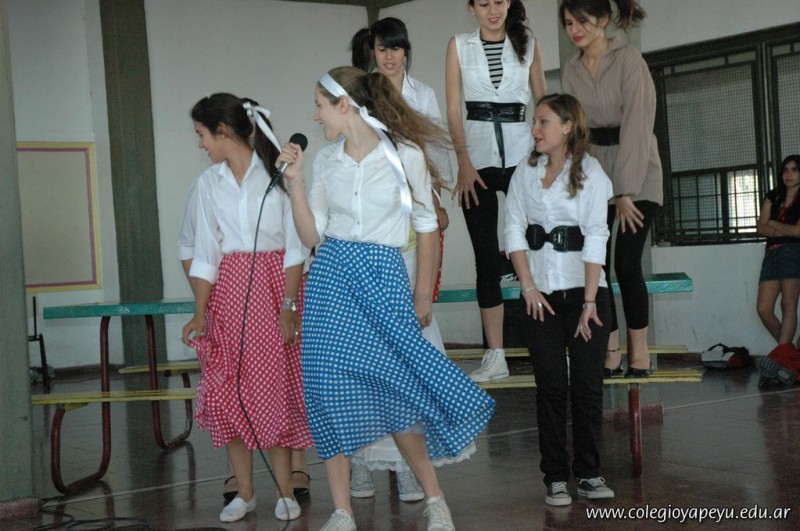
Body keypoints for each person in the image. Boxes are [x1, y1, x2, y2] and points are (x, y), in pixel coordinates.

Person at [279, 66, 495, 531]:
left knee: (396, 391)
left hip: (382, 276)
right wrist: (295, 183)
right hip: (331, 278)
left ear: (344, 105)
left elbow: (427, 226)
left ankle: (435, 498)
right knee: (326, 392)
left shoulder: (405, 156)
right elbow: (312, 235)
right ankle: (342, 511)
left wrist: (423, 294)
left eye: (319, 106)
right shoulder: (327, 161)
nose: (315, 116)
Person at [348, 16, 467, 504]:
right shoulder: (359, 93)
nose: (390, 56)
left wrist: (434, 202)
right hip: (368, 240)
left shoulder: (422, 95)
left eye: (396, 48)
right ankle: (361, 462)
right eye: (382, 48)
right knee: (365, 358)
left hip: (412, 230)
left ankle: (410, 467)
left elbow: (435, 149)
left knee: (413, 349)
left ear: (406, 52)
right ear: (371, 52)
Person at [180, 93, 313, 523]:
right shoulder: (208, 184)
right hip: (228, 295)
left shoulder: (277, 176)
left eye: (202, 134)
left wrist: (289, 306)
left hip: (275, 290)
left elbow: (295, 249)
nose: (201, 144)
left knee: (274, 389)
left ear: (222, 131)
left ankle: (285, 491)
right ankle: (245, 492)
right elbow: (205, 253)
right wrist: (201, 311)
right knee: (229, 391)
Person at [504, 93, 614, 506]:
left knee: (586, 387)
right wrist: (528, 286)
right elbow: (513, 229)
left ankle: (589, 474)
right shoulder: (524, 171)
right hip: (540, 298)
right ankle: (555, 478)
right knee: (550, 387)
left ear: (567, 126)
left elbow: (597, 236)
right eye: (534, 122)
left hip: (586, 297)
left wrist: (589, 303)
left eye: (543, 121)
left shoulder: (591, 172)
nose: (535, 129)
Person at [559, 0, 663, 378]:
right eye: (569, 23)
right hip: (595, 172)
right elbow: (576, 131)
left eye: (582, 21)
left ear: (603, 20)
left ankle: (640, 352)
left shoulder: (630, 60)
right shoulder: (571, 71)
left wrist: (625, 191)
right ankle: (611, 349)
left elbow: (638, 126)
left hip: (640, 175)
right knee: (596, 265)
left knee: (627, 262)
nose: (575, 30)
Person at [446, 0, 546, 382]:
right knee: (486, 258)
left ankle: (548, 347)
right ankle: (496, 355)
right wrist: (463, 162)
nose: (493, 10)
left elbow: (543, 104)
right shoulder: (458, 45)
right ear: (471, 7)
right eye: (484, 3)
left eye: (500, 2)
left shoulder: (529, 43)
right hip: (476, 157)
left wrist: (545, 158)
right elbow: (453, 110)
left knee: (537, 250)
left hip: (523, 155)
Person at [754, 155, 800, 387]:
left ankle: (783, 361)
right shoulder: (773, 195)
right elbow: (760, 227)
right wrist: (781, 229)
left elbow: (798, 232)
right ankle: (788, 358)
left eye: (794, 170)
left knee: (788, 305)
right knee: (763, 308)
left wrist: (773, 224)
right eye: (785, 170)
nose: (789, 174)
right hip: (771, 253)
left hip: (793, 252)